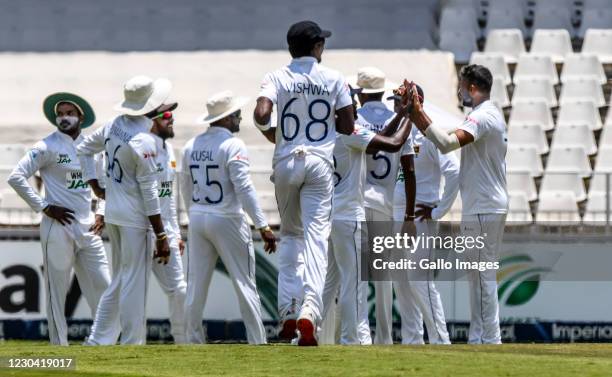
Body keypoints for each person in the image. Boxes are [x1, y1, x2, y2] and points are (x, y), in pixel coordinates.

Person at [253, 20, 354, 346]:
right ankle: (311, 309)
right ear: (317, 47)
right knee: (315, 237)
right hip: (320, 163)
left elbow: (261, 114)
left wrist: (273, 132)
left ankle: (287, 310)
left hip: (285, 162)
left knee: (291, 235)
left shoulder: (277, 76)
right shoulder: (335, 78)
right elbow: (348, 125)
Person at [407, 65, 508, 344]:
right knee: (477, 274)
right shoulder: (484, 115)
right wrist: (419, 118)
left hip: (484, 206)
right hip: (482, 204)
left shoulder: (483, 117)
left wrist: (418, 115)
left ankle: (490, 339)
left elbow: (446, 144)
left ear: (472, 88)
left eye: (462, 86)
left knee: (482, 273)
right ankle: (481, 338)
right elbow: (444, 137)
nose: (459, 91)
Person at [7, 92, 111, 346]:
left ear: (81, 117)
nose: (64, 117)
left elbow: (104, 186)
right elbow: (16, 177)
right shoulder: (46, 146)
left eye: (69, 113)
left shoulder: (93, 148)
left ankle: (101, 343)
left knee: (106, 289)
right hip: (57, 227)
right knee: (57, 293)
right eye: (60, 114)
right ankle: (59, 347)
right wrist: (44, 206)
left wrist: (101, 213)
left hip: (88, 228)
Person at [76, 75, 173, 345]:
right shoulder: (145, 139)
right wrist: (162, 235)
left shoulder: (114, 124)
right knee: (132, 282)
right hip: (134, 218)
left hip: (114, 213)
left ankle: (98, 339)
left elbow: (83, 149)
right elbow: (150, 191)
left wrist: (95, 185)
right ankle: (132, 341)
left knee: (121, 279)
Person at [321, 86, 414, 345]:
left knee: (331, 280)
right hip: (356, 210)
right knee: (360, 279)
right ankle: (359, 337)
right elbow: (392, 143)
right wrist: (408, 114)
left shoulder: (325, 132)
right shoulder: (350, 133)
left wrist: (400, 116)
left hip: (330, 213)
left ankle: (310, 329)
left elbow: (379, 139)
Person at [181, 91, 276, 345]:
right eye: (235, 114)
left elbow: (185, 186)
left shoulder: (192, 145)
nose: (239, 117)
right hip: (227, 217)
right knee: (245, 283)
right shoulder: (233, 145)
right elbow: (244, 187)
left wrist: (193, 214)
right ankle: (258, 341)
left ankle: (190, 340)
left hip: (199, 215)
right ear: (224, 119)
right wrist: (263, 224)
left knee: (195, 286)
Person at [351, 66, 416, 344]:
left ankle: (357, 335)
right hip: (385, 203)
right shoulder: (398, 120)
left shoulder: (352, 120)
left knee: (355, 274)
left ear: (361, 94)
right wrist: (410, 215)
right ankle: (385, 338)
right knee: (382, 275)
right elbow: (409, 170)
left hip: (356, 201)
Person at [390, 90, 460, 345]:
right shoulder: (397, 130)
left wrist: (439, 210)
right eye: (395, 101)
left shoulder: (431, 134)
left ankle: (441, 341)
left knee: (419, 280)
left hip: (420, 214)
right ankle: (412, 340)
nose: (397, 105)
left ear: (416, 103)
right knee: (401, 280)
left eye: (401, 101)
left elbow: (454, 172)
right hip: (397, 213)